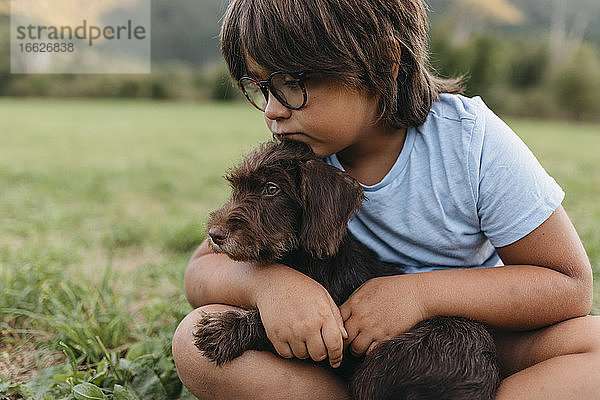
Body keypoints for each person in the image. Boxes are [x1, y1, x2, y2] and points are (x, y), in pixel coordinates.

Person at [172, 0, 599, 398]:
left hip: (476, 340)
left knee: (594, 348)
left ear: (384, 60)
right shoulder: (296, 157)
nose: (272, 110)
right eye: (262, 87)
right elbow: (202, 270)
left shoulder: (471, 142)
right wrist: (269, 285)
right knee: (196, 340)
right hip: (337, 349)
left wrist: (419, 296)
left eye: (294, 83)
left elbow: (568, 285)